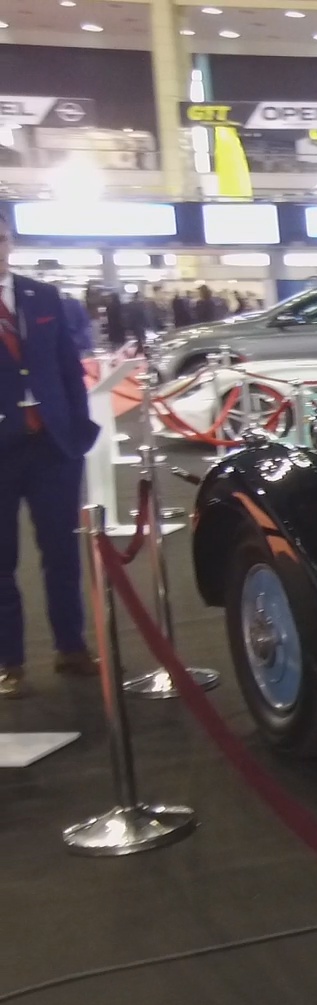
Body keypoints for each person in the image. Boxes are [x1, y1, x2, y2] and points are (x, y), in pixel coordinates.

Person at [0, 215, 99, 697]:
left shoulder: (42, 296)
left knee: (61, 552)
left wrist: (78, 428)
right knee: (2, 561)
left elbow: (68, 367)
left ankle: (70, 647)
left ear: (9, 241)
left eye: (0, 238)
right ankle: (9, 661)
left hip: (53, 447)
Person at [61, 291, 95, 358]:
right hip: (79, 340)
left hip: (67, 341)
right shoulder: (76, 304)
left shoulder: (58, 305)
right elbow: (85, 322)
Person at [123, 286, 152, 352]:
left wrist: (128, 325)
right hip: (140, 324)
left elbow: (129, 316)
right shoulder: (141, 304)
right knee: (142, 337)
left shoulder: (130, 304)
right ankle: (142, 349)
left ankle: (140, 349)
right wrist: (147, 324)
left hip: (134, 324)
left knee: (138, 338)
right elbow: (144, 315)